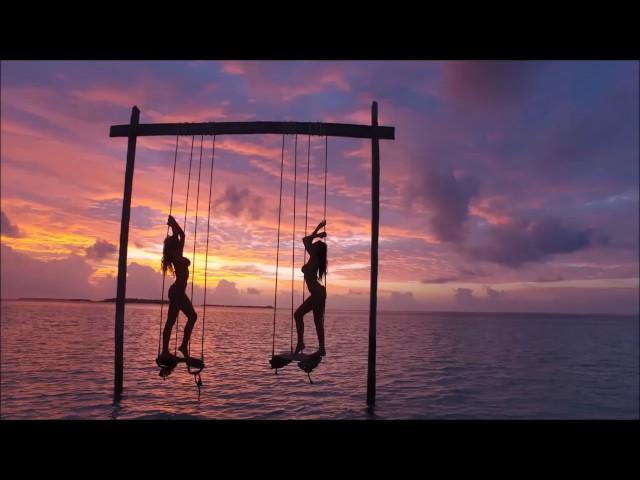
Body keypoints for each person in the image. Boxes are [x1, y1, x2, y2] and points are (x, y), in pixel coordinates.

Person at [158, 215, 198, 362]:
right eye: (175, 240)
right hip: (176, 292)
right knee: (171, 321)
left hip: (179, 292)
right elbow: (180, 235)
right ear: (172, 245)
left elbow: (180, 235)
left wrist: (173, 225)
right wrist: (173, 224)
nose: (177, 240)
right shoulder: (175, 255)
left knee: (192, 317)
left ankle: (182, 346)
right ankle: (164, 352)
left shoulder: (177, 253)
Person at [294, 220, 327, 357]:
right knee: (317, 321)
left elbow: (305, 240)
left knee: (298, 314)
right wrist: (318, 231)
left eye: (315, 245)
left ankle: (301, 343)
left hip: (318, 293)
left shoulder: (314, 257)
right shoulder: (315, 258)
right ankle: (322, 348)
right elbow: (306, 240)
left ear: (316, 250)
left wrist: (318, 232)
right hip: (320, 293)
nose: (312, 246)